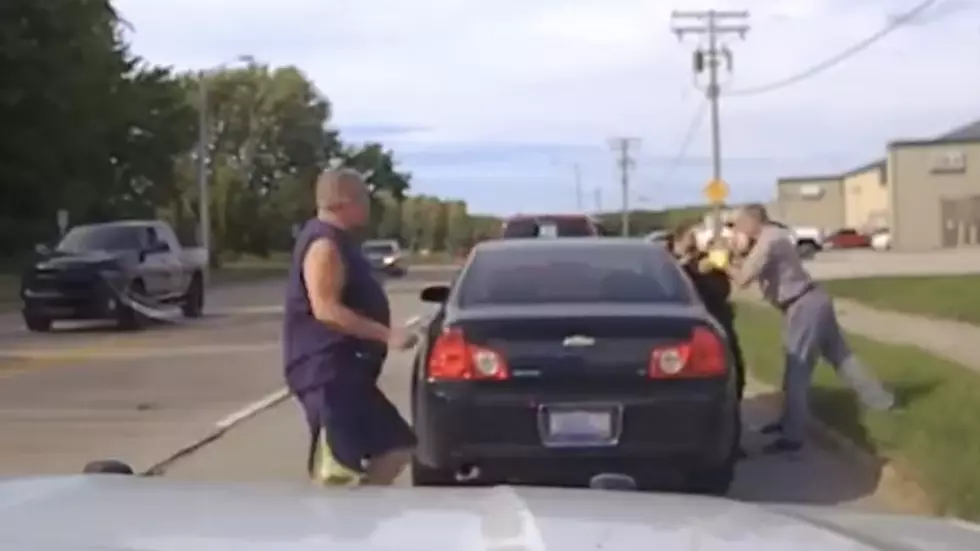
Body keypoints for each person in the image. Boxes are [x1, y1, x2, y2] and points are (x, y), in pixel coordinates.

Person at [283, 167, 417, 486]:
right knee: (338, 474)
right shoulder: (324, 245)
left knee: (396, 447)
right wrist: (387, 335)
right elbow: (325, 309)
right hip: (327, 373)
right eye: (363, 198)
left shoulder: (343, 242)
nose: (367, 206)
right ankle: (339, 528)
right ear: (343, 201)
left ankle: (359, 521)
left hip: (349, 375)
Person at [726, 204, 895, 455]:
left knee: (798, 368)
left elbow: (742, 280)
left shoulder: (767, 242)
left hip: (802, 305)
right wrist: (735, 255)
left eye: (740, 224)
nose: (738, 229)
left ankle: (792, 435)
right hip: (812, 300)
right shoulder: (771, 237)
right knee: (842, 357)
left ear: (753, 222)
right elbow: (750, 265)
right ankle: (882, 403)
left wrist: (721, 263)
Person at [668, 220, 746, 402]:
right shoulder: (669, 260)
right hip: (686, 320)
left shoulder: (707, 259)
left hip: (717, 314)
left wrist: (720, 261)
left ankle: (732, 400)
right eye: (691, 237)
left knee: (732, 362)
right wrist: (685, 262)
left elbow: (724, 287)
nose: (695, 241)